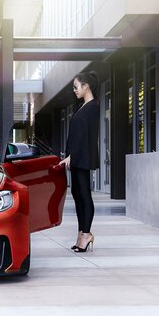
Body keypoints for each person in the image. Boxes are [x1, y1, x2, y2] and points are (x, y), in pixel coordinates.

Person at [58, 71, 100, 252]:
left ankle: (86, 234)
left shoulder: (93, 106)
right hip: (76, 158)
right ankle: (81, 233)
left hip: (82, 157)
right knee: (76, 194)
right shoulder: (83, 107)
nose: (74, 90)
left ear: (86, 86)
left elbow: (87, 137)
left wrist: (73, 155)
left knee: (84, 195)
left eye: (76, 87)